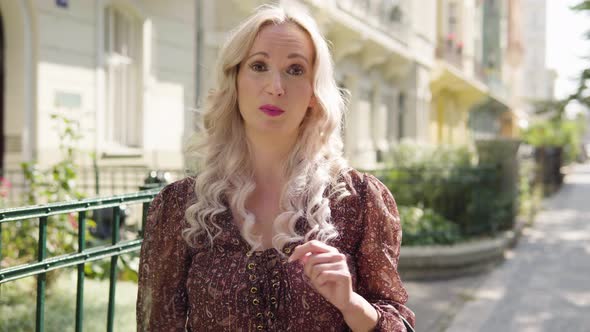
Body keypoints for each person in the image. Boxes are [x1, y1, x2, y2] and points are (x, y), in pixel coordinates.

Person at [137, 4, 415, 331]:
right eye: (258, 66)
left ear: (314, 92)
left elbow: (398, 322)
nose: (276, 86)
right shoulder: (182, 208)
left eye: (295, 70)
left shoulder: (359, 202)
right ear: (235, 80)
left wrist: (351, 303)